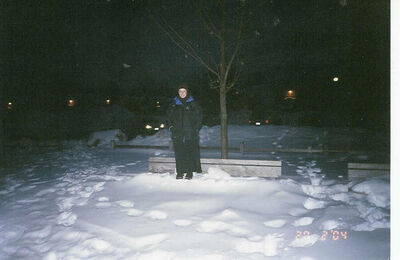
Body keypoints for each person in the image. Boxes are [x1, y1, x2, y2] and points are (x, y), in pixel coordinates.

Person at [167, 83, 202, 179]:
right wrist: (171, 127)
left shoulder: (193, 103)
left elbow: (199, 117)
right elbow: (168, 117)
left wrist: (195, 128)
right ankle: (180, 172)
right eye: (180, 91)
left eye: (184, 91)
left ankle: (189, 172)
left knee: (189, 153)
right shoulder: (174, 103)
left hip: (190, 133)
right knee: (179, 153)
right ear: (178, 92)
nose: (182, 93)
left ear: (187, 92)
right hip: (178, 133)